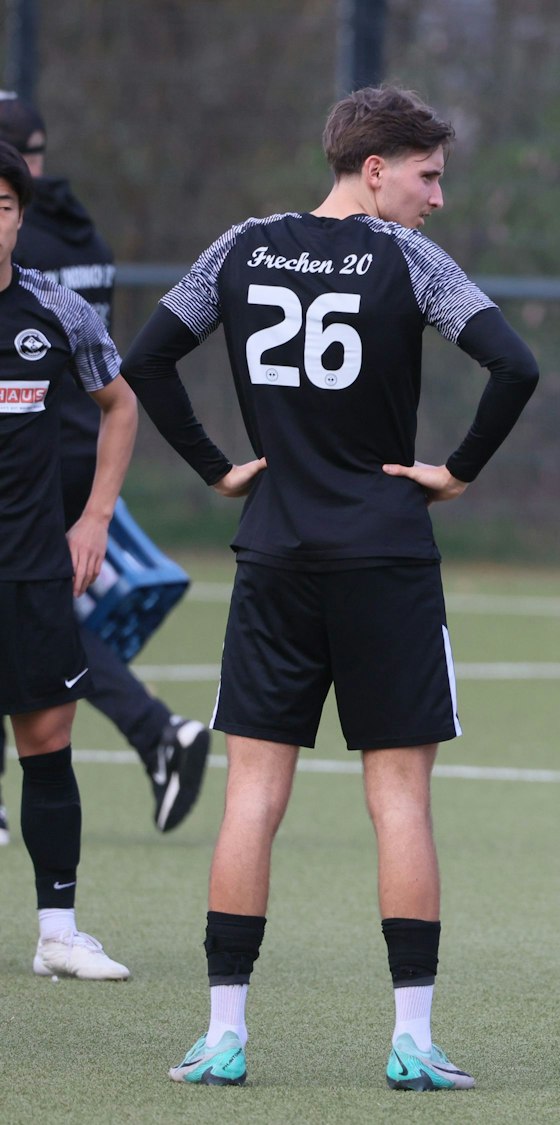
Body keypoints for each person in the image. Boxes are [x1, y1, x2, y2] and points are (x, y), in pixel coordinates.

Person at [121, 85, 539, 1089]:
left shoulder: (241, 246)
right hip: (385, 556)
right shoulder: (408, 260)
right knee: (398, 800)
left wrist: (218, 468)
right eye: (428, 176)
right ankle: (412, 1039)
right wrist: (457, 471)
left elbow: (147, 358)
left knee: (252, 796)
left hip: (274, 550)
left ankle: (224, 1034)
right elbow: (514, 366)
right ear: (375, 168)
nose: (436, 197)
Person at [0, 92, 209, 837]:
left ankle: (157, 730)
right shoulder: (83, 231)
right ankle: (157, 733)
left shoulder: (27, 250)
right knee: (40, 613)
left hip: (29, 454)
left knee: (37, 615)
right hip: (73, 448)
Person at [0, 139, 139, 980]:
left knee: (48, 741)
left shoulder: (55, 308)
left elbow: (120, 404)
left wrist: (93, 517)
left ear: (20, 216)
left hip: (30, 569)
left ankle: (58, 933)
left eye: (3, 206)